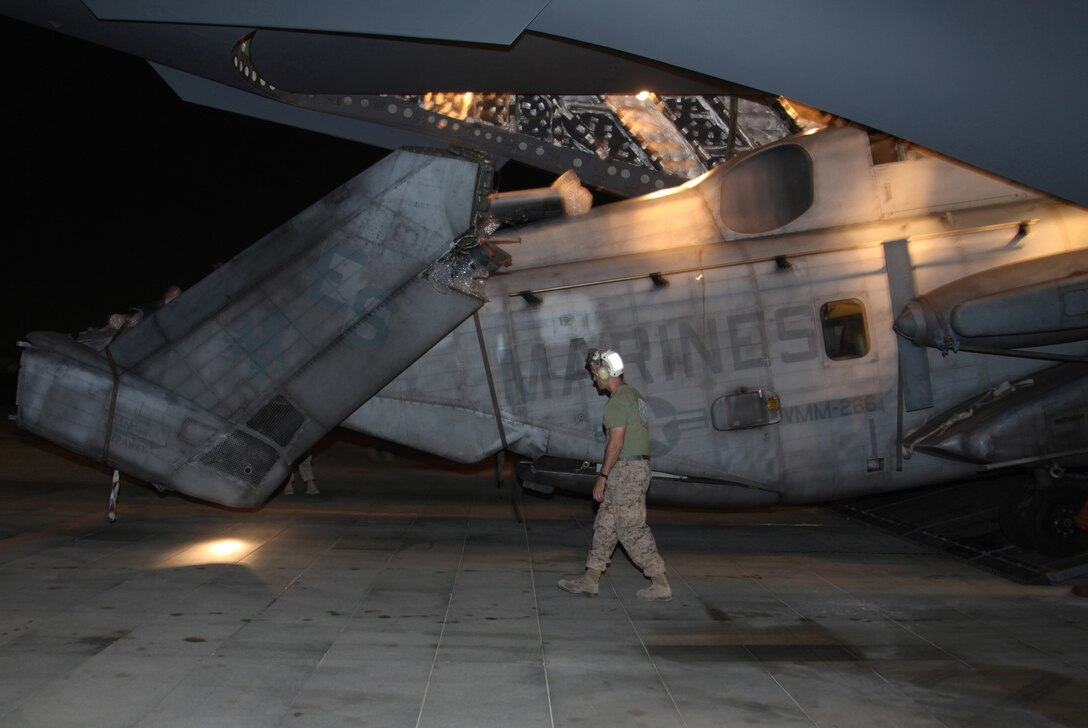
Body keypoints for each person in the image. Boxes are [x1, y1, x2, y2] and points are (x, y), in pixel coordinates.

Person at [558, 348, 672, 601]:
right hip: (631, 469)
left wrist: (603, 476)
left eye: (594, 373)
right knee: (606, 525)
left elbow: (616, 443)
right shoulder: (633, 395)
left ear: (604, 371)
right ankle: (590, 579)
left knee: (631, 528)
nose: (593, 379)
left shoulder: (617, 401)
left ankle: (660, 582)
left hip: (626, 472)